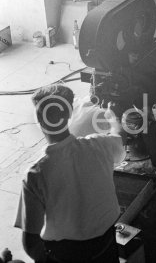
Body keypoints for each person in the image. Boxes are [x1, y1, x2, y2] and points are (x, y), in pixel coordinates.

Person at [14, 84, 126, 263]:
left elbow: (31, 245)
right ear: (69, 114)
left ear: (39, 120)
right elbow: (120, 136)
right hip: (107, 248)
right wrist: (113, 115)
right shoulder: (100, 145)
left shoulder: (36, 174)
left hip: (65, 254)